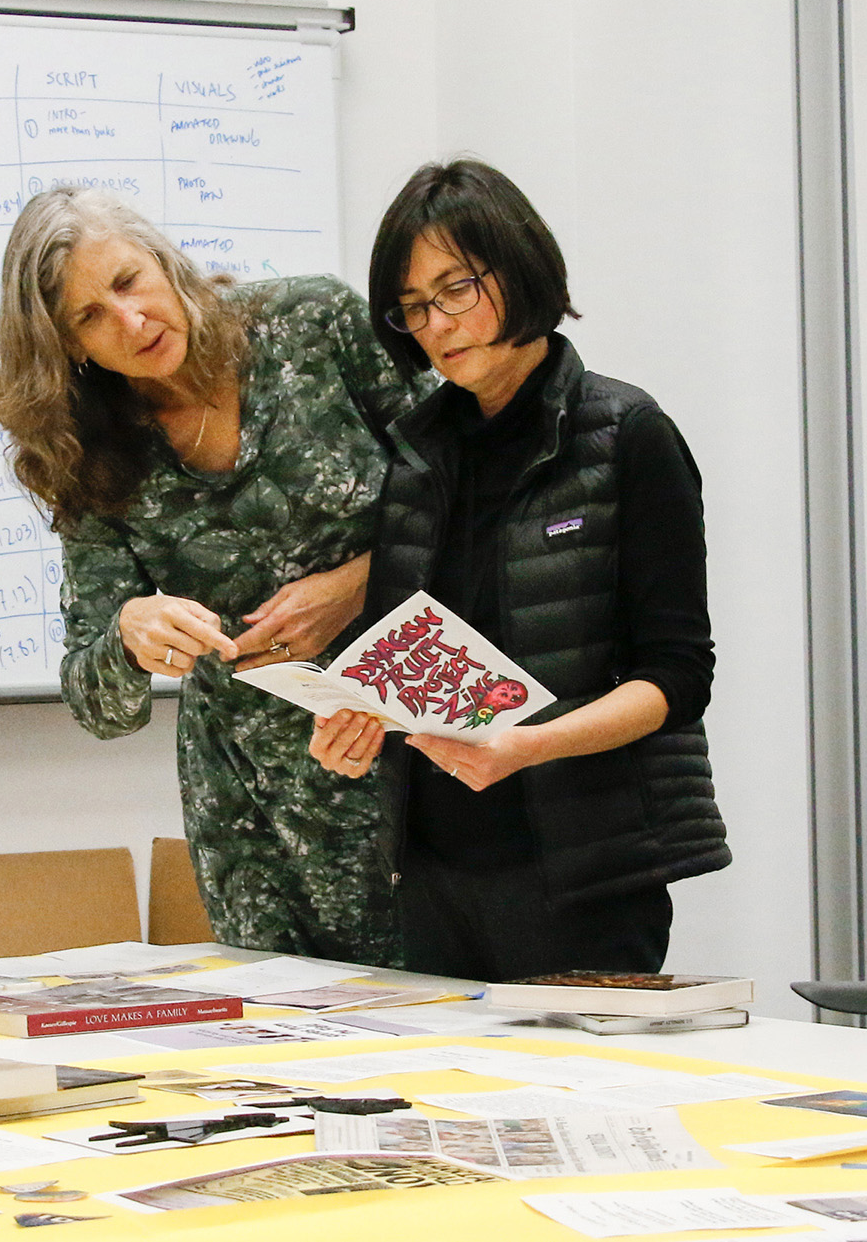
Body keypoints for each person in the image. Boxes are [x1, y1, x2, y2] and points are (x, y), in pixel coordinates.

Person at [308, 158, 731, 980]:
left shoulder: (628, 435)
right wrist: (357, 726)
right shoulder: (415, 455)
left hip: (584, 875)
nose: (437, 324)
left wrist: (527, 745)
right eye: (414, 307)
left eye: (456, 288)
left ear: (520, 265)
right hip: (431, 871)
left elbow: (678, 675)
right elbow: (401, 660)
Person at [0, 186, 429, 965]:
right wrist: (127, 637)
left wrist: (358, 583)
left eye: (127, 282)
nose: (130, 321)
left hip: (415, 758)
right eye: (88, 317)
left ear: (164, 260)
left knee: (452, 1023)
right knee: (291, 1054)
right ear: (71, 350)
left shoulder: (314, 325)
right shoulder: (91, 452)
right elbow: (99, 705)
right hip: (255, 812)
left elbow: (466, 496)